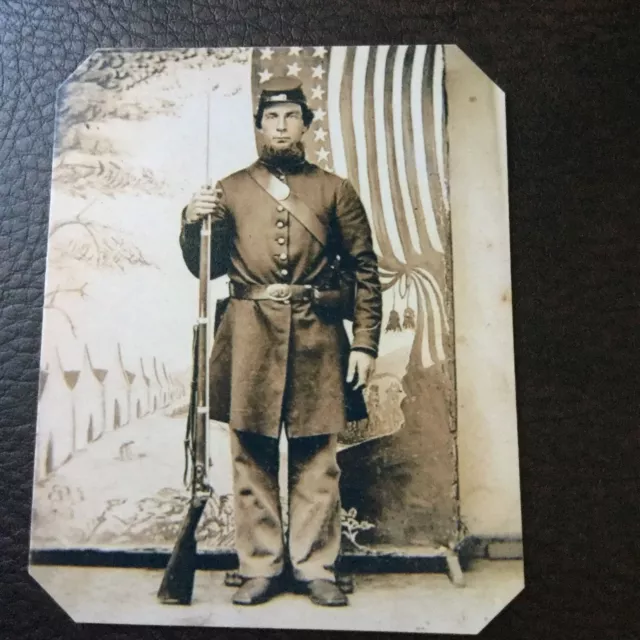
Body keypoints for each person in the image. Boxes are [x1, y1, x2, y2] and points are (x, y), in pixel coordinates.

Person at [179, 77, 382, 607]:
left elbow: (364, 269)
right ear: (258, 126)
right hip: (248, 335)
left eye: (292, 116)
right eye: (272, 118)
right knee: (252, 456)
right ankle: (261, 567)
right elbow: (208, 266)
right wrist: (190, 221)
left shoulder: (334, 190)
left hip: (318, 334)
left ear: (306, 126)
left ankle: (315, 566)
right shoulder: (227, 189)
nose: (281, 127)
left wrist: (364, 343)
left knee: (318, 459)